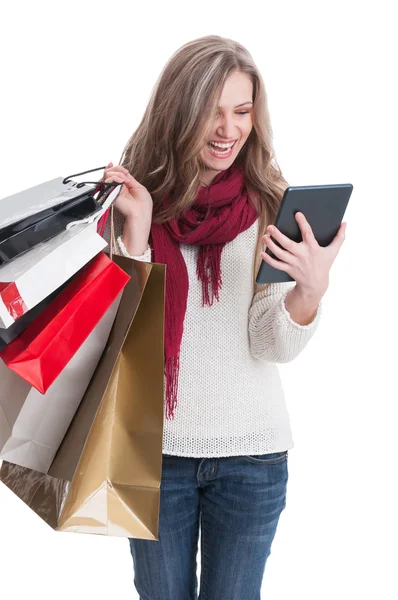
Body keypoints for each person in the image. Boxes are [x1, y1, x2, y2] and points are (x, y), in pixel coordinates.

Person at [102, 35, 346, 600]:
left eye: (242, 111)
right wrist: (137, 236)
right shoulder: (133, 199)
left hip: (252, 456)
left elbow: (269, 341)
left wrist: (309, 291)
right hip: (155, 452)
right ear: (178, 110)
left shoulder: (270, 203)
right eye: (212, 111)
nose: (229, 129)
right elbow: (121, 338)